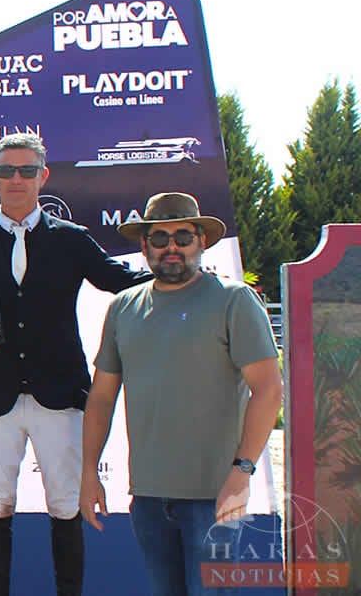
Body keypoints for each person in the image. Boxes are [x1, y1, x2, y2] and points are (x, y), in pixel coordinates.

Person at [0, 132, 152, 596]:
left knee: (65, 506)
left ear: (43, 176)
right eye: (8, 170)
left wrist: (177, 273)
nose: (17, 179)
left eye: (27, 171)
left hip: (61, 395)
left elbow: (119, 279)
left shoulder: (72, 239)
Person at [80, 192, 282, 595]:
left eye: (183, 236)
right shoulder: (123, 307)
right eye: (159, 238)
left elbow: (269, 389)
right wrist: (88, 471)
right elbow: (102, 397)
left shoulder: (233, 300)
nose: (171, 247)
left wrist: (241, 473)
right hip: (149, 500)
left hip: (214, 499)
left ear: (201, 241)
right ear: (144, 246)